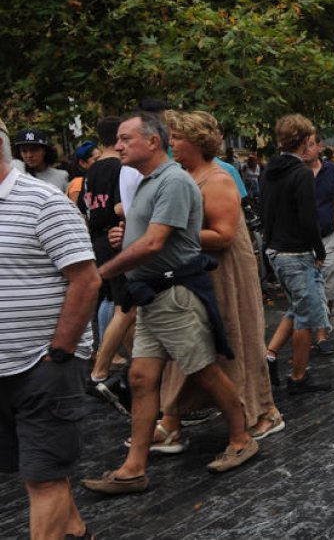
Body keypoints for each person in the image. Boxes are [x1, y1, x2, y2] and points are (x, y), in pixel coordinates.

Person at [82, 111, 257, 496]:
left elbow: (156, 242)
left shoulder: (174, 182)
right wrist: (122, 238)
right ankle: (134, 467)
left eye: (127, 139)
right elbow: (144, 235)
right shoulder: (149, 183)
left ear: (152, 142)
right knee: (142, 378)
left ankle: (242, 438)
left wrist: (105, 270)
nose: (118, 145)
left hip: (174, 296)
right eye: (119, 140)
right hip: (151, 296)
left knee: (205, 372)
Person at [152, 110, 283, 452]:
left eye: (177, 138)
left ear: (196, 142)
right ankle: (171, 420)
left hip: (225, 272)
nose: (171, 143)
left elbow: (224, 235)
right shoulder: (183, 175)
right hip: (197, 269)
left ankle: (263, 412)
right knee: (188, 343)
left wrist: (166, 233)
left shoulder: (218, 178)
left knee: (236, 338)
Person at [0, 118, 101, 539]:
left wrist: (59, 353)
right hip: (3, 368)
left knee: (44, 478)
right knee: (36, 470)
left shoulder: (43, 201)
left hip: (42, 364)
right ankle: (75, 530)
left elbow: (86, 279)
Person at [261, 114, 333, 395]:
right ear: (305, 141)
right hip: (297, 252)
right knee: (307, 316)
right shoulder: (301, 172)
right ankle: (298, 376)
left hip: (277, 250)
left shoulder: (269, 170)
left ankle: (270, 355)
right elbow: (308, 218)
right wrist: (319, 249)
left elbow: (266, 211)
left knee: (296, 306)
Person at [78, 117, 136, 414]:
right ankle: (101, 370)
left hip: (99, 240)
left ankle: (128, 360)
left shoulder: (91, 171)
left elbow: (84, 208)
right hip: (118, 239)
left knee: (120, 303)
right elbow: (119, 206)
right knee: (127, 305)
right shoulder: (118, 168)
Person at [310, 136, 334, 354]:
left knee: (329, 284)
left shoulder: (331, 170)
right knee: (311, 287)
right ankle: (317, 334)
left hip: (328, 234)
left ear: (320, 146)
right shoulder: (297, 172)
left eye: (312, 143)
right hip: (303, 239)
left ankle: (323, 330)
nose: (308, 148)